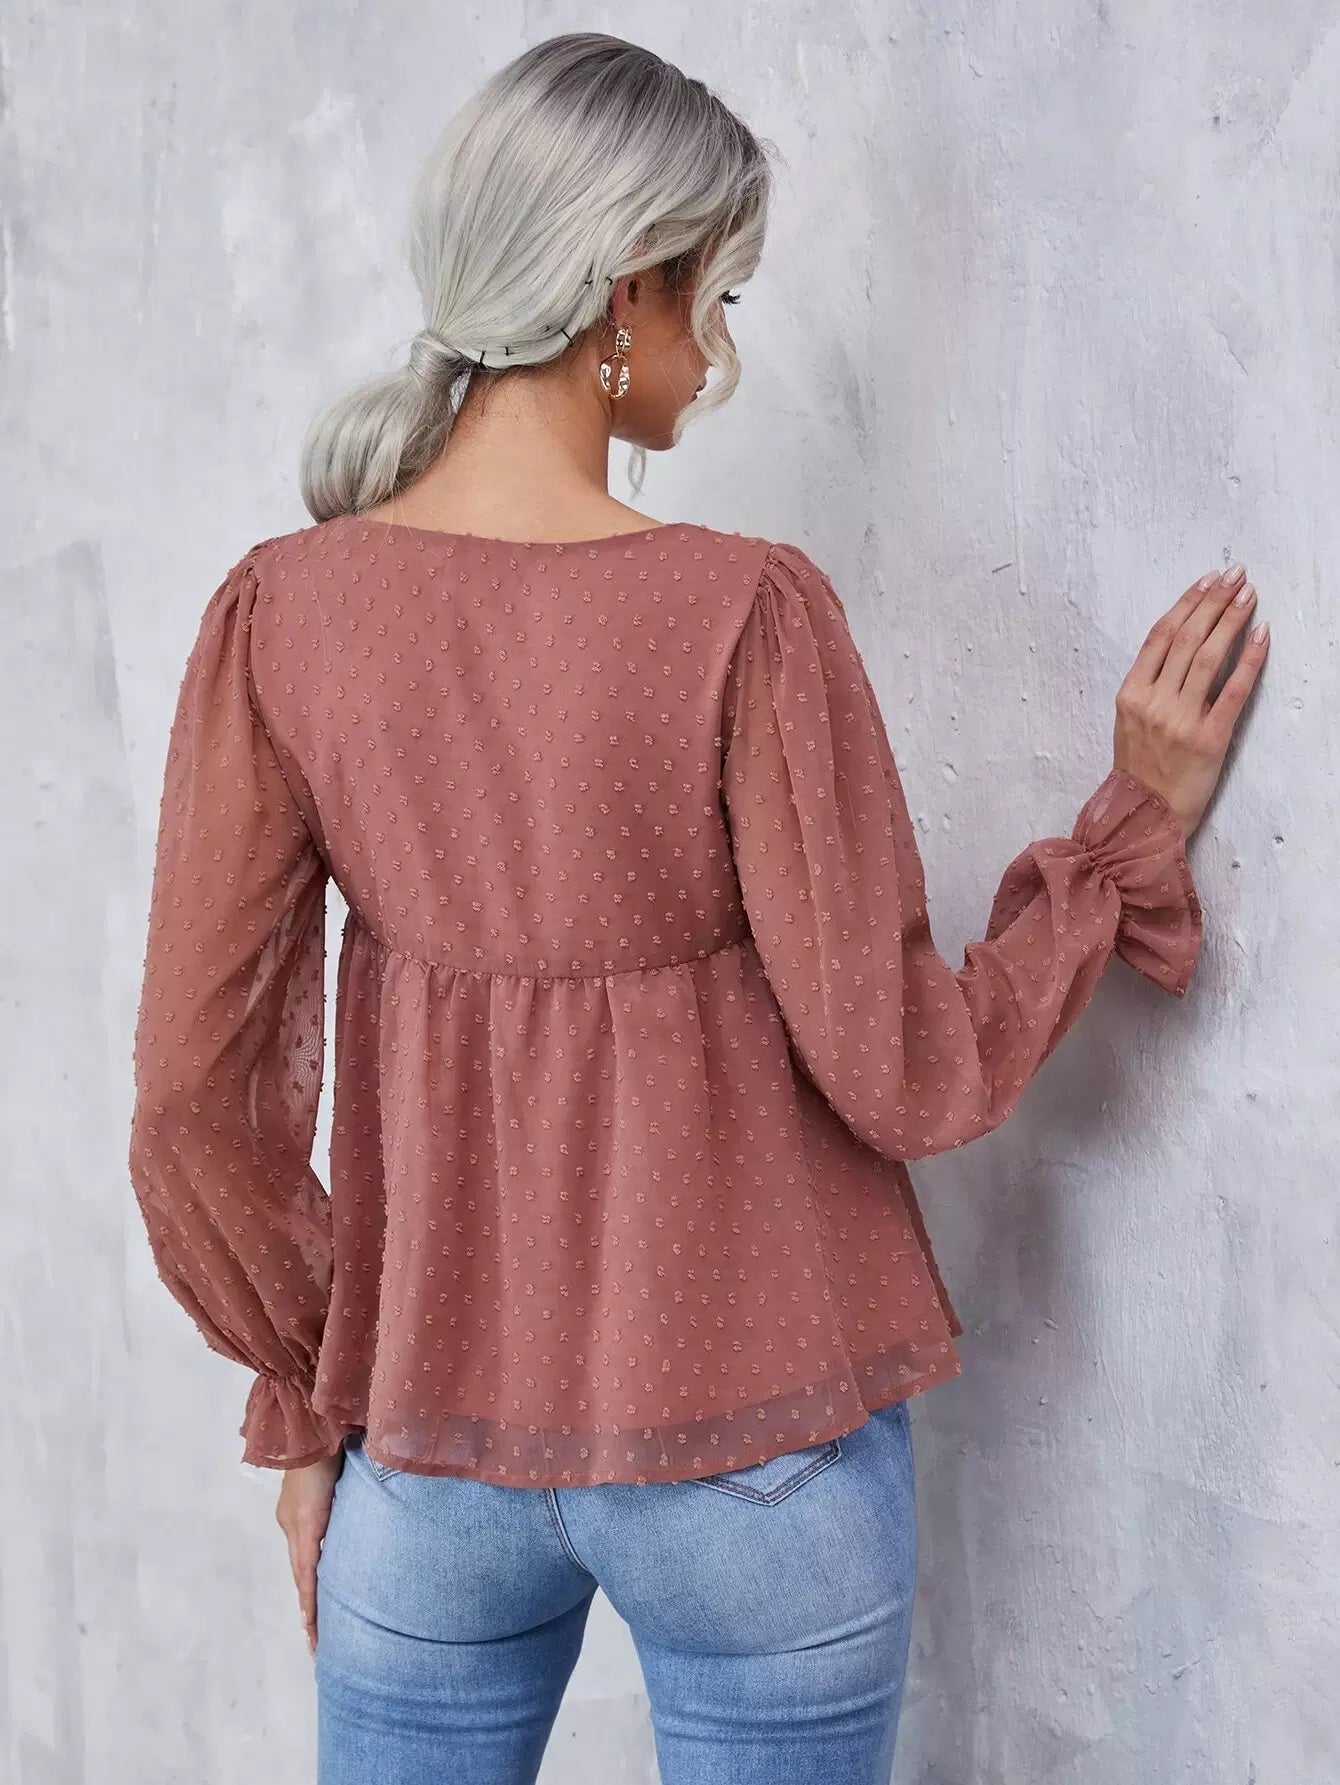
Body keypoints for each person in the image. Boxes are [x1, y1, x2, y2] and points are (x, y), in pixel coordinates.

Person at [126, 31, 1269, 1785]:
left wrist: (312, 1388)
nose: (718, 351)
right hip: (761, 1454)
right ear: (623, 294)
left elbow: (192, 1108)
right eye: (713, 298)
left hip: (428, 1453)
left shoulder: (282, 615)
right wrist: (1123, 841)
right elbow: (902, 1062)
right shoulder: (741, 613)